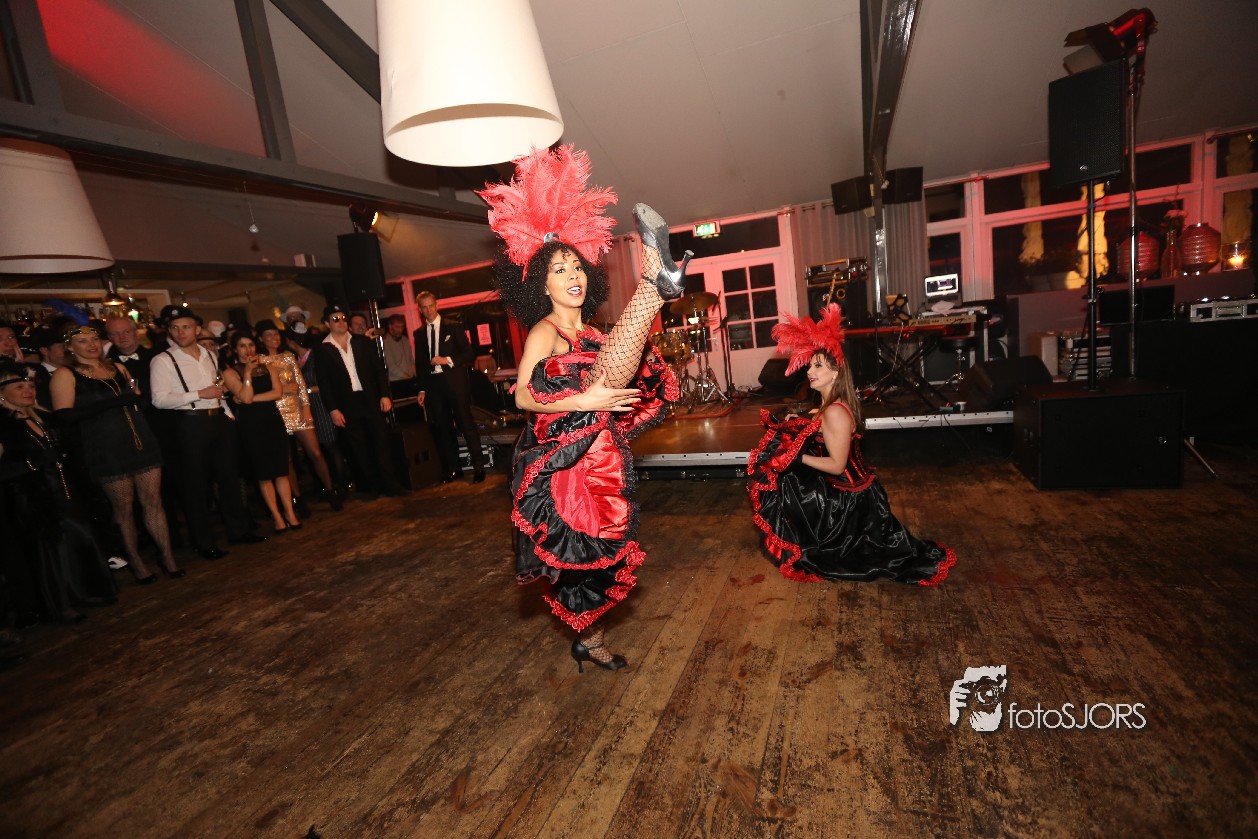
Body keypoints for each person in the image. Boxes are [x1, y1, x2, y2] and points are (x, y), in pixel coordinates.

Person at [478, 144, 690, 672]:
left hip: (600, 455)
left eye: (576, 265)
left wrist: (607, 399)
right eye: (559, 269)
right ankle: (653, 286)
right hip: (563, 462)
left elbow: (623, 377)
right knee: (582, 558)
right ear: (541, 284)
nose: (572, 274)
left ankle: (587, 640)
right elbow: (523, 395)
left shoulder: (594, 334)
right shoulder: (544, 331)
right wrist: (587, 398)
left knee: (596, 560)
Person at [746, 304, 956, 586]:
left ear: (835, 373)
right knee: (786, 473)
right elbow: (819, 426)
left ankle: (810, 541)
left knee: (787, 481)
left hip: (852, 503)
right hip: (851, 492)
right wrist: (799, 424)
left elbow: (836, 465)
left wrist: (794, 457)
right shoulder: (828, 406)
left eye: (818, 366)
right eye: (810, 365)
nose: (809, 371)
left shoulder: (834, 411)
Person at [50, 326, 183, 583]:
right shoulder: (65, 374)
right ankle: (136, 562)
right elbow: (63, 415)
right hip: (106, 448)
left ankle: (168, 557)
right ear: (70, 347)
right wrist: (112, 403)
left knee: (154, 502)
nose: (91, 345)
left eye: (94, 339)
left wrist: (138, 400)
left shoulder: (117, 367)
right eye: (82, 341)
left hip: (140, 441)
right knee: (123, 508)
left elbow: (136, 397)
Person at [0, 360, 117, 623]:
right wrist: (33, 464)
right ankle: (61, 604)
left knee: (80, 536)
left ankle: (86, 591)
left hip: (64, 487)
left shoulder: (42, 417)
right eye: (19, 387)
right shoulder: (4, 426)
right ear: (2, 393)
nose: (28, 391)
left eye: (30, 386)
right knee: (52, 548)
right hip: (33, 498)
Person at [149, 305, 266, 559]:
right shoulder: (163, 360)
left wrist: (227, 413)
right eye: (175, 328)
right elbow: (159, 400)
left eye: (186, 327)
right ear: (169, 331)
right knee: (196, 484)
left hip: (219, 419)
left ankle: (239, 530)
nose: (180, 332)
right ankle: (204, 542)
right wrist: (198, 394)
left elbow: (218, 388)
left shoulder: (210, 354)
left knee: (229, 477)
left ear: (197, 329)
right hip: (190, 423)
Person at [312, 303, 408, 498]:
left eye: (343, 318)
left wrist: (384, 395)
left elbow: (379, 370)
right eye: (335, 319)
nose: (341, 322)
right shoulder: (322, 349)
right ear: (327, 324)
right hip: (347, 404)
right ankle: (373, 487)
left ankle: (391, 484)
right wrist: (333, 409)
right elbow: (324, 382)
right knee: (359, 448)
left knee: (381, 442)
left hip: (370, 398)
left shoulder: (361, 342)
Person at [254, 321, 341, 511]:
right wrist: (282, 389)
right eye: (268, 335)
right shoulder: (258, 361)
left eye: (276, 334)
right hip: (275, 412)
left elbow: (301, 384)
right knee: (286, 461)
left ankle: (330, 491)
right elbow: (259, 389)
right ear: (261, 339)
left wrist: (306, 408)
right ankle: (297, 500)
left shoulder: (288, 356)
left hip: (297, 409)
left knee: (315, 452)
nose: (273, 338)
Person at [223, 332, 301, 533]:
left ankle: (290, 513)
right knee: (264, 473)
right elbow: (245, 395)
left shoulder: (269, 367)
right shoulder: (231, 373)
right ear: (235, 349)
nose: (247, 349)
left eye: (250, 345)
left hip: (272, 420)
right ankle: (277, 517)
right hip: (251, 425)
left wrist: (249, 398)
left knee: (281, 470)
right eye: (242, 346)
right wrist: (248, 375)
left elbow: (277, 392)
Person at [414, 292, 485, 484]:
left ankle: (479, 467)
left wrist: (447, 360)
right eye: (424, 307)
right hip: (434, 386)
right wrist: (422, 389)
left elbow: (469, 353)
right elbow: (420, 364)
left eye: (431, 305)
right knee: (444, 429)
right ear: (420, 310)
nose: (429, 310)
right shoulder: (419, 333)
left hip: (455, 383)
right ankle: (454, 469)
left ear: (436, 305)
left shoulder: (453, 326)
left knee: (466, 424)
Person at [381, 314, 415, 384]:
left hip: (409, 378)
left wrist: (415, 376)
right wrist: (408, 378)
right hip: (396, 381)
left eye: (402, 327)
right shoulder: (385, 341)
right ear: (390, 326)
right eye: (397, 327)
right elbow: (390, 366)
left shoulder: (405, 339)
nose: (400, 330)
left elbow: (411, 361)